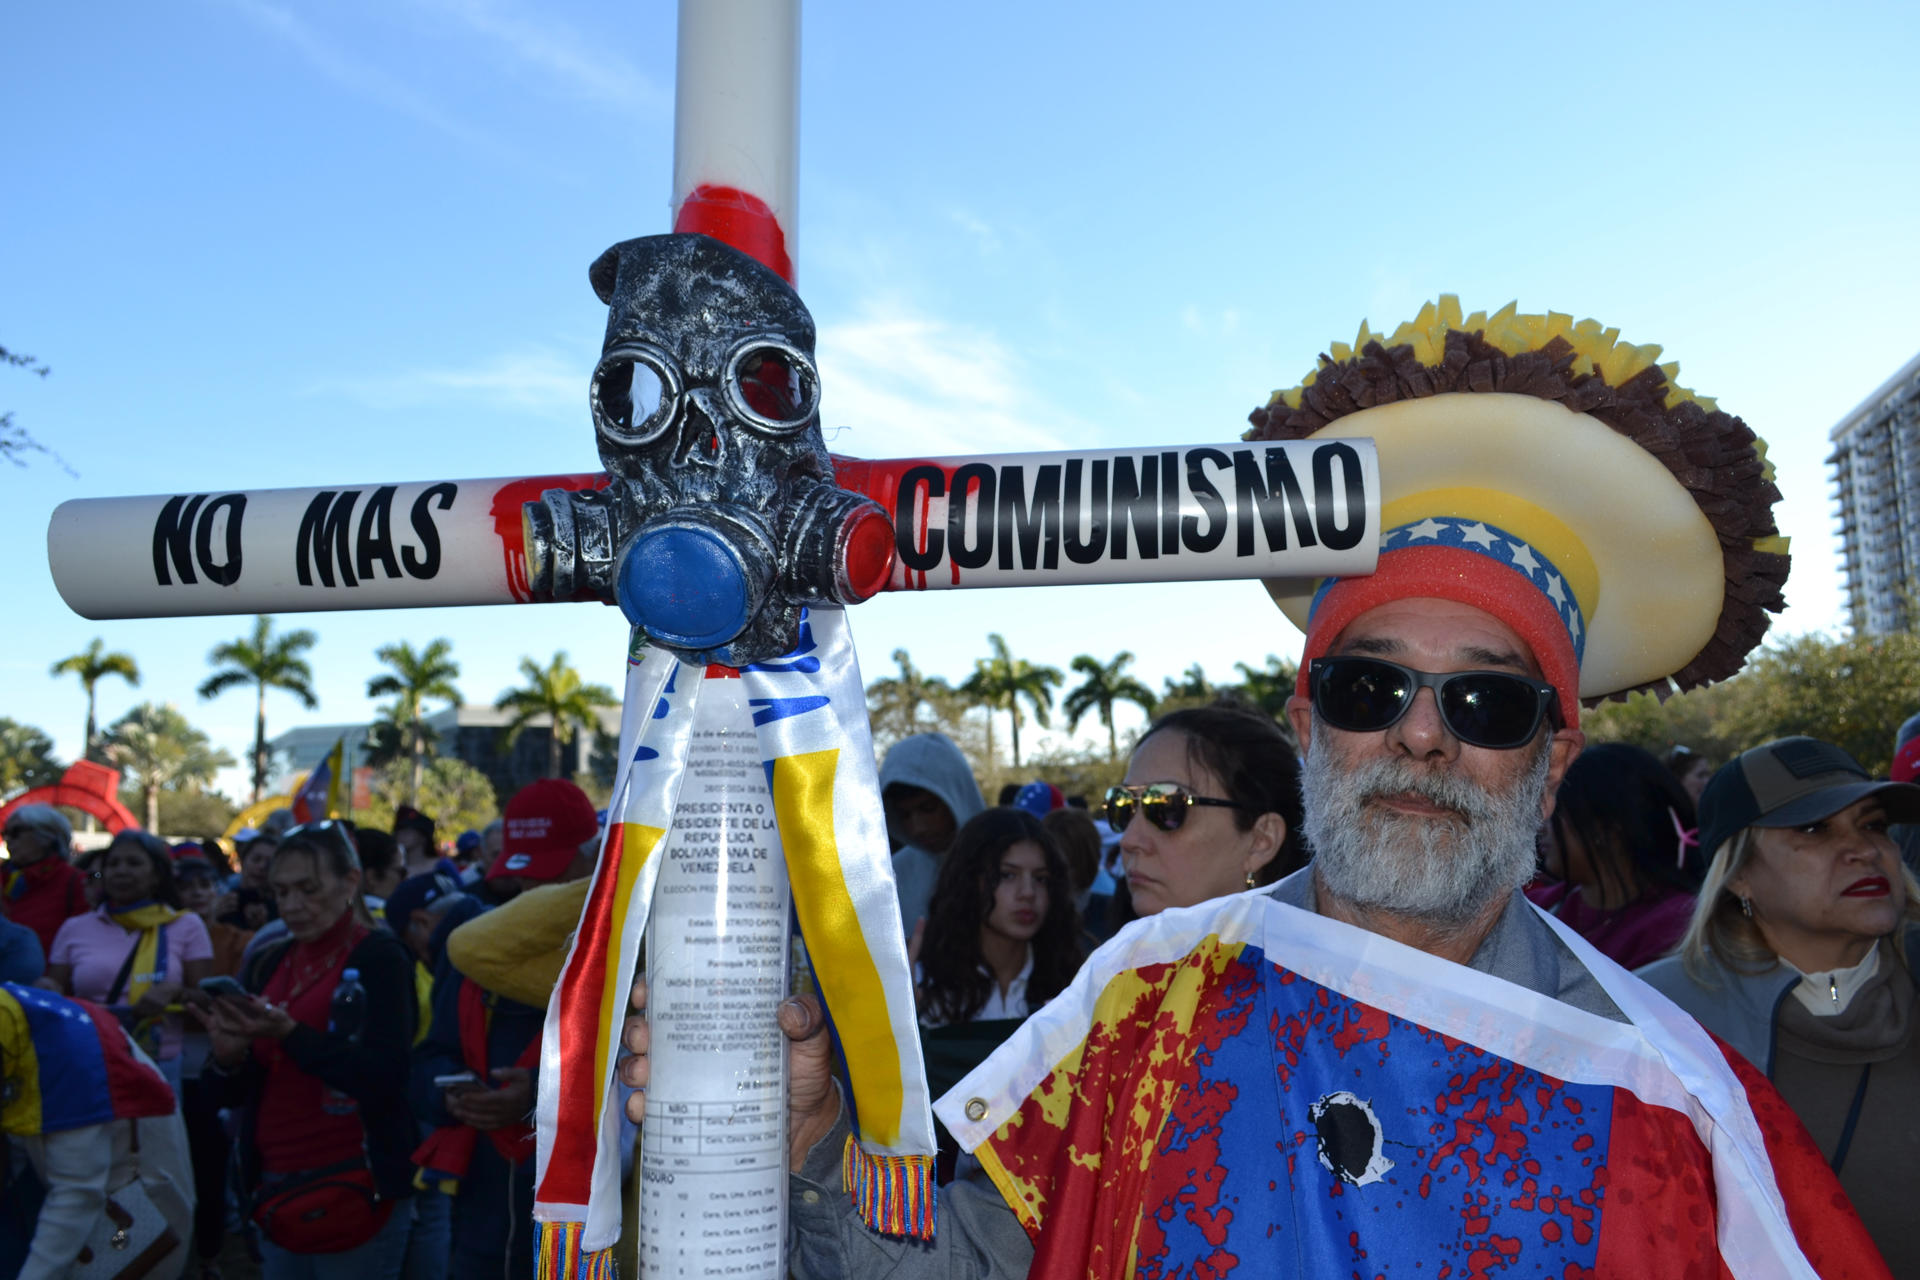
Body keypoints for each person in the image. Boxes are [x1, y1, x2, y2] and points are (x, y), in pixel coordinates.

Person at [621, 301, 1887, 1275]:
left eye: (1487, 702)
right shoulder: (1142, 1000)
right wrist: (808, 1146)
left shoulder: (1676, 1097)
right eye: (1368, 690)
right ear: (1308, 722)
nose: (1424, 739)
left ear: (1550, 758)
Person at [1639, 737, 1920, 1273]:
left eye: (1874, 824)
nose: (1863, 848)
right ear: (1738, 873)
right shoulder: (1657, 1017)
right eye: (1814, 829)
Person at [197, 822, 418, 1279]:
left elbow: (385, 1075)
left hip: (354, 1183)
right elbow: (241, 1089)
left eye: (308, 889)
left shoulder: (380, 957)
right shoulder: (269, 959)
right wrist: (228, 1056)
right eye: (281, 892)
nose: (293, 906)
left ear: (349, 882)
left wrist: (290, 1033)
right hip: (277, 1185)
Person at [412, 779, 599, 1279]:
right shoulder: (476, 950)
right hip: (483, 1212)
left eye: (552, 879)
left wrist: (537, 1099)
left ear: (595, 856)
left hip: (585, 1216)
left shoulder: (626, 958)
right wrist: (456, 1097)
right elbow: (430, 1058)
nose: (533, 896)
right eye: (521, 884)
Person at [915, 809, 1083, 1180]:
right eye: (1007, 875)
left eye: (1041, 879)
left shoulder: (1076, 983)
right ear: (970, 881)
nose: (1027, 893)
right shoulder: (923, 984)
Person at [1, 980, 195, 1280]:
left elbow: (76, 1193)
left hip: (127, 1216)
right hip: (78, 1205)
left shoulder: (69, 1054)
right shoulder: (18, 1021)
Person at [47, 828, 213, 1093]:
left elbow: (209, 999)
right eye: (113, 864)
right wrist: (45, 988)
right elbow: (53, 993)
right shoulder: (74, 929)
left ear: (156, 874)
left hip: (159, 1066)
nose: (121, 871)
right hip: (90, 1057)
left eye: (134, 863)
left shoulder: (186, 925)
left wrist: (175, 993)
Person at [1105, 703, 1305, 919]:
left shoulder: (1315, 951)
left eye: (1167, 807)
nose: (1128, 841)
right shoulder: (1108, 950)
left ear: (1261, 841)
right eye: (1123, 805)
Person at [1527, 742, 1703, 969]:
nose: (1541, 825)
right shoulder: (1536, 908)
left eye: (1556, 810)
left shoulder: (1674, 927)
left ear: (1605, 828)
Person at [879, 733, 985, 936]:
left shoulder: (1011, 865)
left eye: (928, 808)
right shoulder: (892, 877)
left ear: (956, 794)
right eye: (905, 815)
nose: (918, 827)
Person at [1, 804, 88, 955]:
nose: (7, 839)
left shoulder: (75, 882)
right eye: (5, 832)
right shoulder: (5, 878)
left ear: (46, 836)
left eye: (16, 832)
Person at [219, 829, 279, 931]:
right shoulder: (224, 900)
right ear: (243, 860)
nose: (262, 866)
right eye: (256, 859)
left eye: (269, 862)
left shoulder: (281, 906)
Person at [393, 806, 437, 874]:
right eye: (399, 830)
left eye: (408, 831)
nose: (401, 835)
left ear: (423, 837)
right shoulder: (392, 869)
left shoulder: (439, 866)